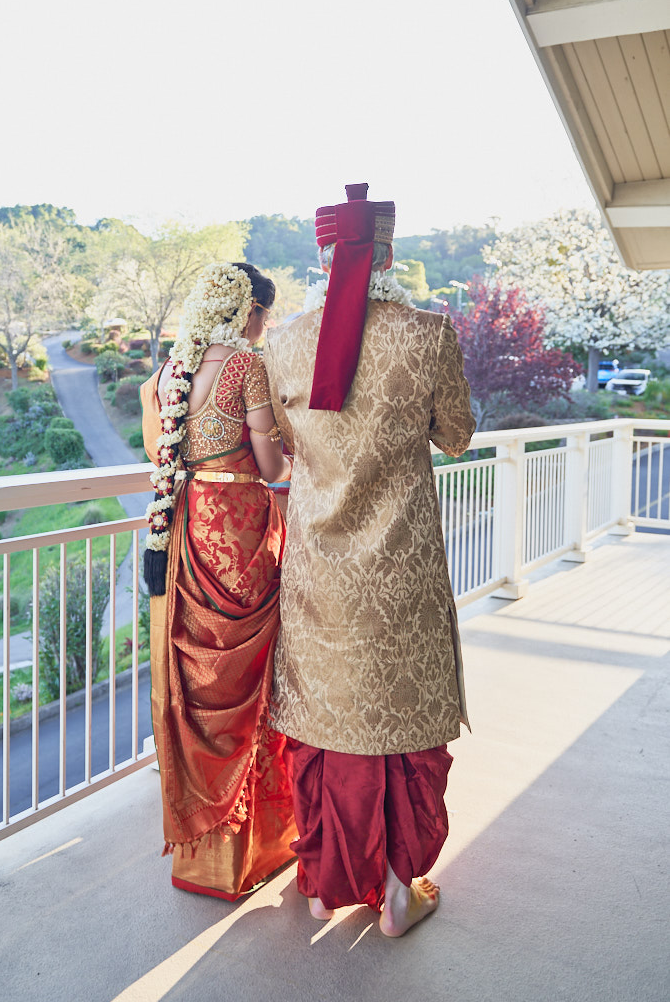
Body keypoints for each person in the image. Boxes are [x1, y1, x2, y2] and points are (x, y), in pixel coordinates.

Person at [264, 184, 475, 936]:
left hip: (316, 565)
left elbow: (288, 449)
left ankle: (325, 883)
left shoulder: (281, 341)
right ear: (386, 255)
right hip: (401, 568)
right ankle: (393, 892)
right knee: (399, 722)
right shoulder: (427, 333)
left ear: (324, 257)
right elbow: (456, 436)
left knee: (324, 722)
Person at [141, 261, 296, 900]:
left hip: (187, 528)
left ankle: (202, 854)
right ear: (246, 311)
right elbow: (271, 462)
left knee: (199, 680)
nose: (263, 324)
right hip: (241, 531)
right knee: (254, 671)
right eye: (263, 311)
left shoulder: (166, 375)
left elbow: (159, 455)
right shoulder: (244, 367)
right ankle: (257, 845)